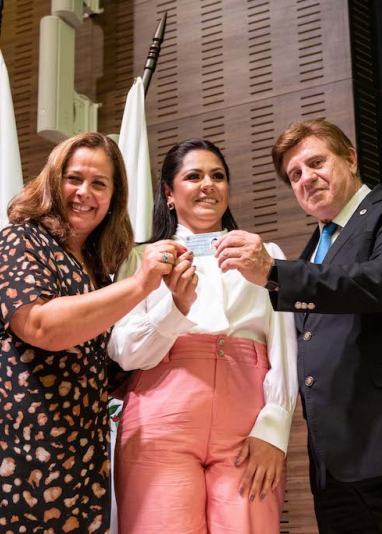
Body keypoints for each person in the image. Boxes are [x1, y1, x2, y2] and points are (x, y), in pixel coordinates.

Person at [215, 120, 382, 533]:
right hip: (337, 473)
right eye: (294, 175)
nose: (306, 178)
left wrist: (274, 271)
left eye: (316, 163)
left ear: (351, 159)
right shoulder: (310, 253)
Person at [0, 132, 187, 533]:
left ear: (114, 199)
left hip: (68, 466)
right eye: (73, 178)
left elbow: (111, 370)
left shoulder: (100, 274)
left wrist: (177, 306)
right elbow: (40, 325)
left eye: (99, 183)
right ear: (52, 181)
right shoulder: (19, 240)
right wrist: (140, 285)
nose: (84, 192)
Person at [108, 139, 298, 533]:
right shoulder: (140, 259)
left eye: (218, 176)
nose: (208, 185)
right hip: (159, 419)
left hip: (248, 422)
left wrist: (274, 428)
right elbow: (124, 352)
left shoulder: (265, 253)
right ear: (169, 192)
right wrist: (174, 308)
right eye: (193, 176)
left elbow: (285, 348)